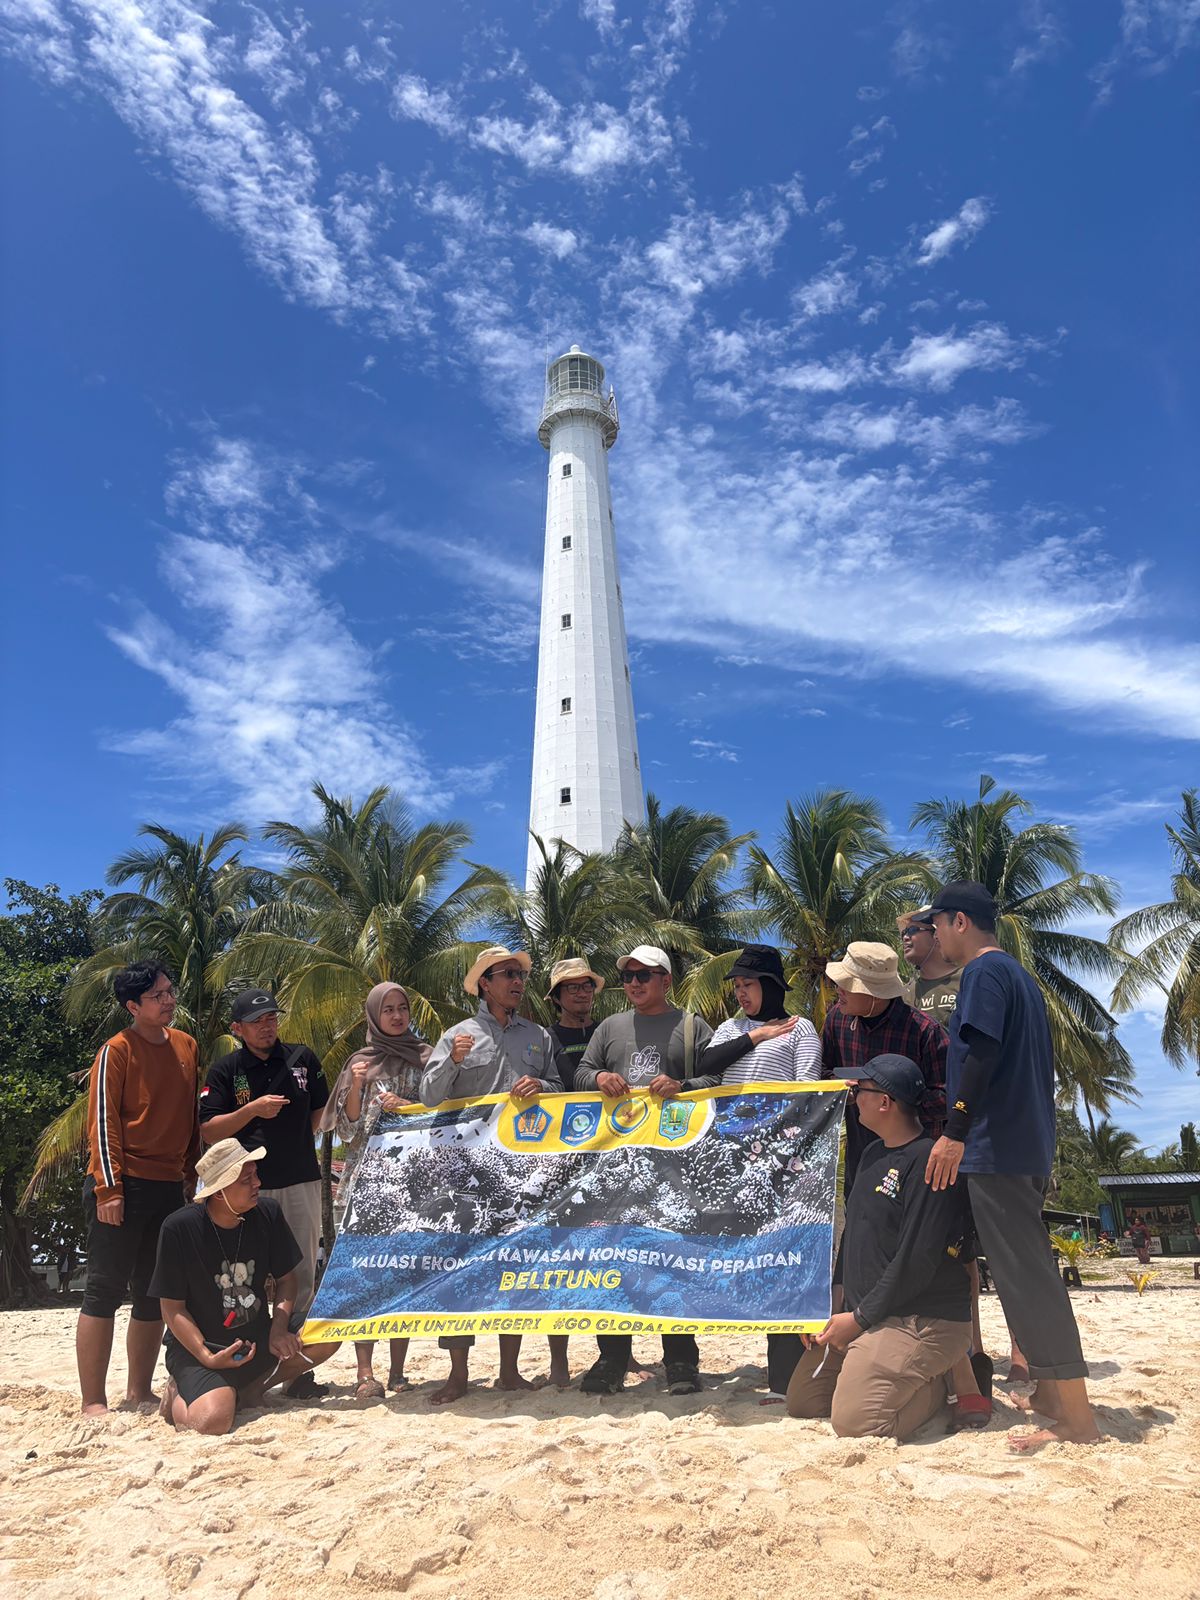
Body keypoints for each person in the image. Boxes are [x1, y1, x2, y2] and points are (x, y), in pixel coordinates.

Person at [924, 881, 1101, 1451]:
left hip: (996, 1145)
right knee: (1027, 1269)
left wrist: (954, 1132)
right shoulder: (1018, 976)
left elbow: (981, 1053)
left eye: (936, 925)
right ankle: (1050, 1396)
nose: (933, 937)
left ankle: (1077, 1419)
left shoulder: (983, 973)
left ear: (959, 921)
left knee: (1026, 1276)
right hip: (1024, 1143)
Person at [786, 1054, 972, 1440]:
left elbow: (916, 1261)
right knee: (804, 1402)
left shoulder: (928, 1160)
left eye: (861, 1089)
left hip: (919, 1318)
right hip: (871, 1314)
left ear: (885, 1102)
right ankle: (885, 1373)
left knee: (857, 1423)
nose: (853, 1096)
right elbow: (854, 1234)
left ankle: (940, 1386)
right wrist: (834, 1305)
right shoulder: (872, 1153)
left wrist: (858, 1320)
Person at [419, 945, 566, 1401]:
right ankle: (458, 1374)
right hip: (463, 1173)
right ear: (485, 983)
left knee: (513, 1267)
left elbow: (561, 1087)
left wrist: (542, 1086)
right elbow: (428, 1096)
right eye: (508, 975)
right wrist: (453, 1061)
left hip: (521, 1169)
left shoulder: (538, 1035)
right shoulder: (457, 1035)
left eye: (520, 975)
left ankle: (509, 1370)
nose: (518, 982)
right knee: (459, 1271)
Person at [573, 944, 715, 1396]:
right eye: (628, 976)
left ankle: (681, 1360)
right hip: (614, 1165)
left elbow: (716, 1079)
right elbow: (580, 1073)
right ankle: (612, 1359)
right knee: (612, 1258)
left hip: (674, 1165)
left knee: (672, 1258)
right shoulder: (609, 1027)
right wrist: (598, 1078)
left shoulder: (693, 1026)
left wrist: (683, 1085)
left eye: (644, 975)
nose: (634, 983)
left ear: (666, 980)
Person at [698, 943, 822, 1402]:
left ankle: (785, 1377)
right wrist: (757, 1036)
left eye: (748, 984)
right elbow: (705, 1066)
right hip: (730, 1161)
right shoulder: (729, 1029)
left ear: (770, 985)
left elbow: (809, 1090)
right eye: (736, 985)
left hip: (780, 1161)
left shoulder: (800, 1028)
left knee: (781, 1260)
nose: (740, 993)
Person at [77, 962, 200, 1416]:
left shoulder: (187, 1045)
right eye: (157, 995)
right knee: (104, 1289)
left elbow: (189, 1115)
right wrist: (109, 1190)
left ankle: (139, 1391)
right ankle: (93, 1400)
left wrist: (190, 1174)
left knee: (153, 1293)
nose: (169, 1000)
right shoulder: (116, 1050)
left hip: (169, 1185)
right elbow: (102, 1121)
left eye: (170, 991)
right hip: (122, 1183)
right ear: (133, 1006)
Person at [149, 1139, 339, 1434]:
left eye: (256, 1174)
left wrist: (279, 1328)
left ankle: (253, 1389)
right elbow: (172, 1309)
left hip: (257, 1338)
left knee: (330, 1329)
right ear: (219, 1191)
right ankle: (177, 1392)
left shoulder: (267, 1213)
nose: (258, 1183)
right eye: (246, 1179)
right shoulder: (179, 1228)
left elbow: (287, 1280)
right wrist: (205, 1355)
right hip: (201, 1347)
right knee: (213, 1421)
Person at [199, 989, 330, 1398]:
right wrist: (252, 1110)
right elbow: (208, 1130)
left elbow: (320, 1113)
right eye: (256, 1021)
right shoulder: (226, 1069)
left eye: (271, 1018)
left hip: (301, 1178)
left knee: (303, 1273)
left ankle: (297, 1374)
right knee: (243, 1275)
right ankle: (242, 1361)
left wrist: (301, 1138)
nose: (266, 1026)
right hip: (244, 1186)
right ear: (237, 1028)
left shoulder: (303, 1058)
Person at [320, 981, 430, 1399]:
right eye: (388, 1010)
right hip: (363, 1183)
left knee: (402, 1276)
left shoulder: (427, 1058)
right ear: (374, 1016)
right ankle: (365, 1372)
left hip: (411, 1184)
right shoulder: (359, 1062)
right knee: (363, 1278)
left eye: (403, 1008)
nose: (397, 1016)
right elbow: (347, 1131)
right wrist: (355, 1087)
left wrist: (411, 1108)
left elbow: (442, 1116)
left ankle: (398, 1371)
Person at [820, 943, 947, 1191]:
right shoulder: (836, 1019)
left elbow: (947, 1095)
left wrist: (895, 1105)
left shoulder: (924, 1031)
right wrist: (843, 1090)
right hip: (860, 1157)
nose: (838, 990)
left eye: (847, 985)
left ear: (875, 994)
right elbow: (824, 1071)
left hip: (914, 1161)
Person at [897, 906, 962, 1028]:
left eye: (912, 930)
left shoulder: (968, 979)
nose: (905, 937)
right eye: (904, 933)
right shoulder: (904, 994)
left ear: (937, 934)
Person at [546, 957, 604, 1089]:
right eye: (573, 988)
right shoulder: (546, 1038)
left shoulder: (606, 1031)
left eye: (587, 986)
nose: (582, 994)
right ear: (556, 998)